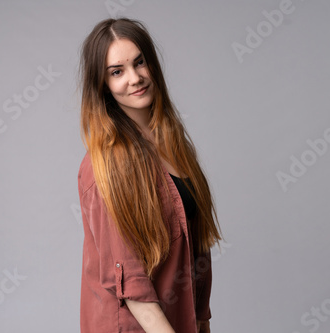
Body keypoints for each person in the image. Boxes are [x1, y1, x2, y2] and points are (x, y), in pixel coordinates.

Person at [77, 17, 223, 333]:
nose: (135, 78)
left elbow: (196, 252)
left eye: (139, 63)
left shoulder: (173, 143)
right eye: (117, 72)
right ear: (102, 85)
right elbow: (129, 278)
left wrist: (201, 321)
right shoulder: (105, 164)